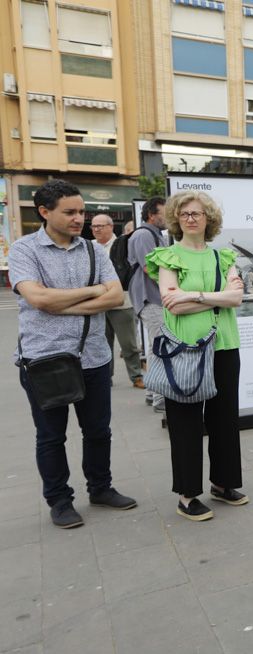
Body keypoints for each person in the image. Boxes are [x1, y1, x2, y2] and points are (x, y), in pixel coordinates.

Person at [9, 179, 137, 529]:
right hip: (44, 359)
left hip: (94, 355)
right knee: (51, 436)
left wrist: (63, 301)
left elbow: (115, 297)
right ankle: (60, 501)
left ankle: (101, 488)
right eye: (70, 212)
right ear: (44, 212)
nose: (79, 218)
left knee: (98, 431)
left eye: (82, 211)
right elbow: (38, 299)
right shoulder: (24, 250)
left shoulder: (94, 250)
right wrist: (90, 293)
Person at [146, 191, 246, 522]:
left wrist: (196, 295)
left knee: (225, 421)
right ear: (176, 219)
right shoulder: (167, 257)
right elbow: (171, 302)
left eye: (198, 213)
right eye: (185, 213)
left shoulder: (224, 257)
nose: (191, 218)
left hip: (224, 346)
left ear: (209, 219)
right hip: (185, 349)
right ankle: (187, 495)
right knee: (185, 424)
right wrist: (218, 297)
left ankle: (223, 483)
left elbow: (237, 298)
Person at [90, 214, 144, 389]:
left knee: (128, 344)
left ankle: (136, 375)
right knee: (102, 343)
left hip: (121, 303)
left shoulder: (122, 245)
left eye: (100, 226)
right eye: (94, 226)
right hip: (97, 303)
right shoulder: (89, 246)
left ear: (110, 227)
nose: (96, 229)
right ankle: (106, 377)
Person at [128, 197, 167, 412]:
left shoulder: (154, 234)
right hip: (149, 297)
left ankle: (153, 393)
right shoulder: (144, 234)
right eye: (164, 212)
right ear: (152, 214)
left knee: (156, 346)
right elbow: (149, 269)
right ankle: (160, 398)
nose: (168, 217)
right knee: (161, 345)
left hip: (153, 297)